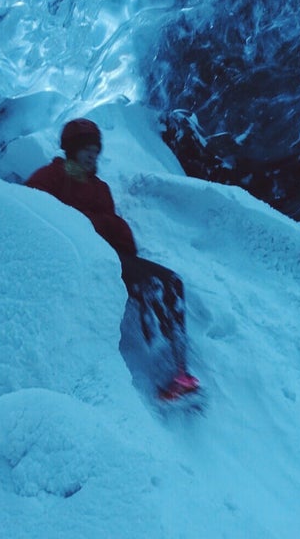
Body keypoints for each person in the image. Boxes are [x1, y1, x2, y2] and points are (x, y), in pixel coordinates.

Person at [25, 118, 200, 400]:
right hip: (79, 255)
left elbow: (117, 231)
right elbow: (31, 211)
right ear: (71, 150)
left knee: (171, 282)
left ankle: (181, 370)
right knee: (152, 287)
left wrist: (103, 226)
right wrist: (97, 224)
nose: (92, 154)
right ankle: (165, 376)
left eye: (95, 149)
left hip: (112, 255)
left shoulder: (100, 188)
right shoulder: (50, 177)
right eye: (85, 149)